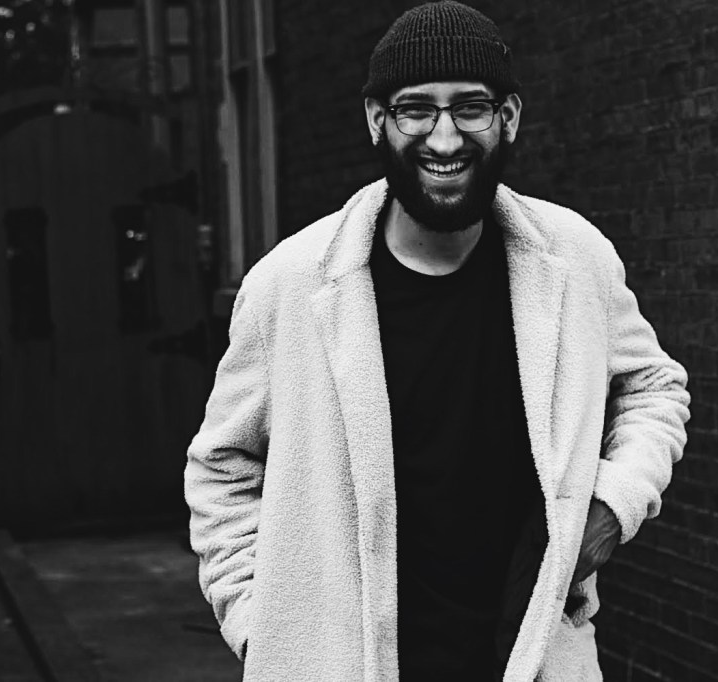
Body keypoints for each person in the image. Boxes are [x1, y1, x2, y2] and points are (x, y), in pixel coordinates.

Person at [184, 2, 691, 680]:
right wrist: (265, 633)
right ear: (376, 120)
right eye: (415, 109)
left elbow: (654, 388)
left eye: (470, 108)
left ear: (508, 116)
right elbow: (222, 470)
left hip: (530, 658)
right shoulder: (290, 286)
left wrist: (612, 504)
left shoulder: (575, 260)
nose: (445, 139)